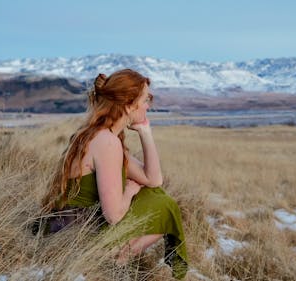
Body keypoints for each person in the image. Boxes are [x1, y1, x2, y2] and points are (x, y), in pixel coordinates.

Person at [41, 69, 188, 279]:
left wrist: (146, 132)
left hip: (66, 224)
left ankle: (117, 258)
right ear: (129, 105)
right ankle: (114, 260)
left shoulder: (103, 134)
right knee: (164, 206)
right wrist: (129, 190)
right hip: (75, 233)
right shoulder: (107, 142)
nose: (148, 105)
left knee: (156, 196)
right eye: (146, 99)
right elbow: (114, 215)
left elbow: (153, 179)